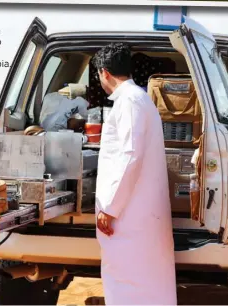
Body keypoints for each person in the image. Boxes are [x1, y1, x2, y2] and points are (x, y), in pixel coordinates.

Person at [92, 43, 177, 305]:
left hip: (129, 216)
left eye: (98, 75)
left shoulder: (129, 101)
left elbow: (130, 155)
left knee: (129, 284)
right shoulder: (137, 99)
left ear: (104, 73)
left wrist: (110, 207)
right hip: (137, 214)